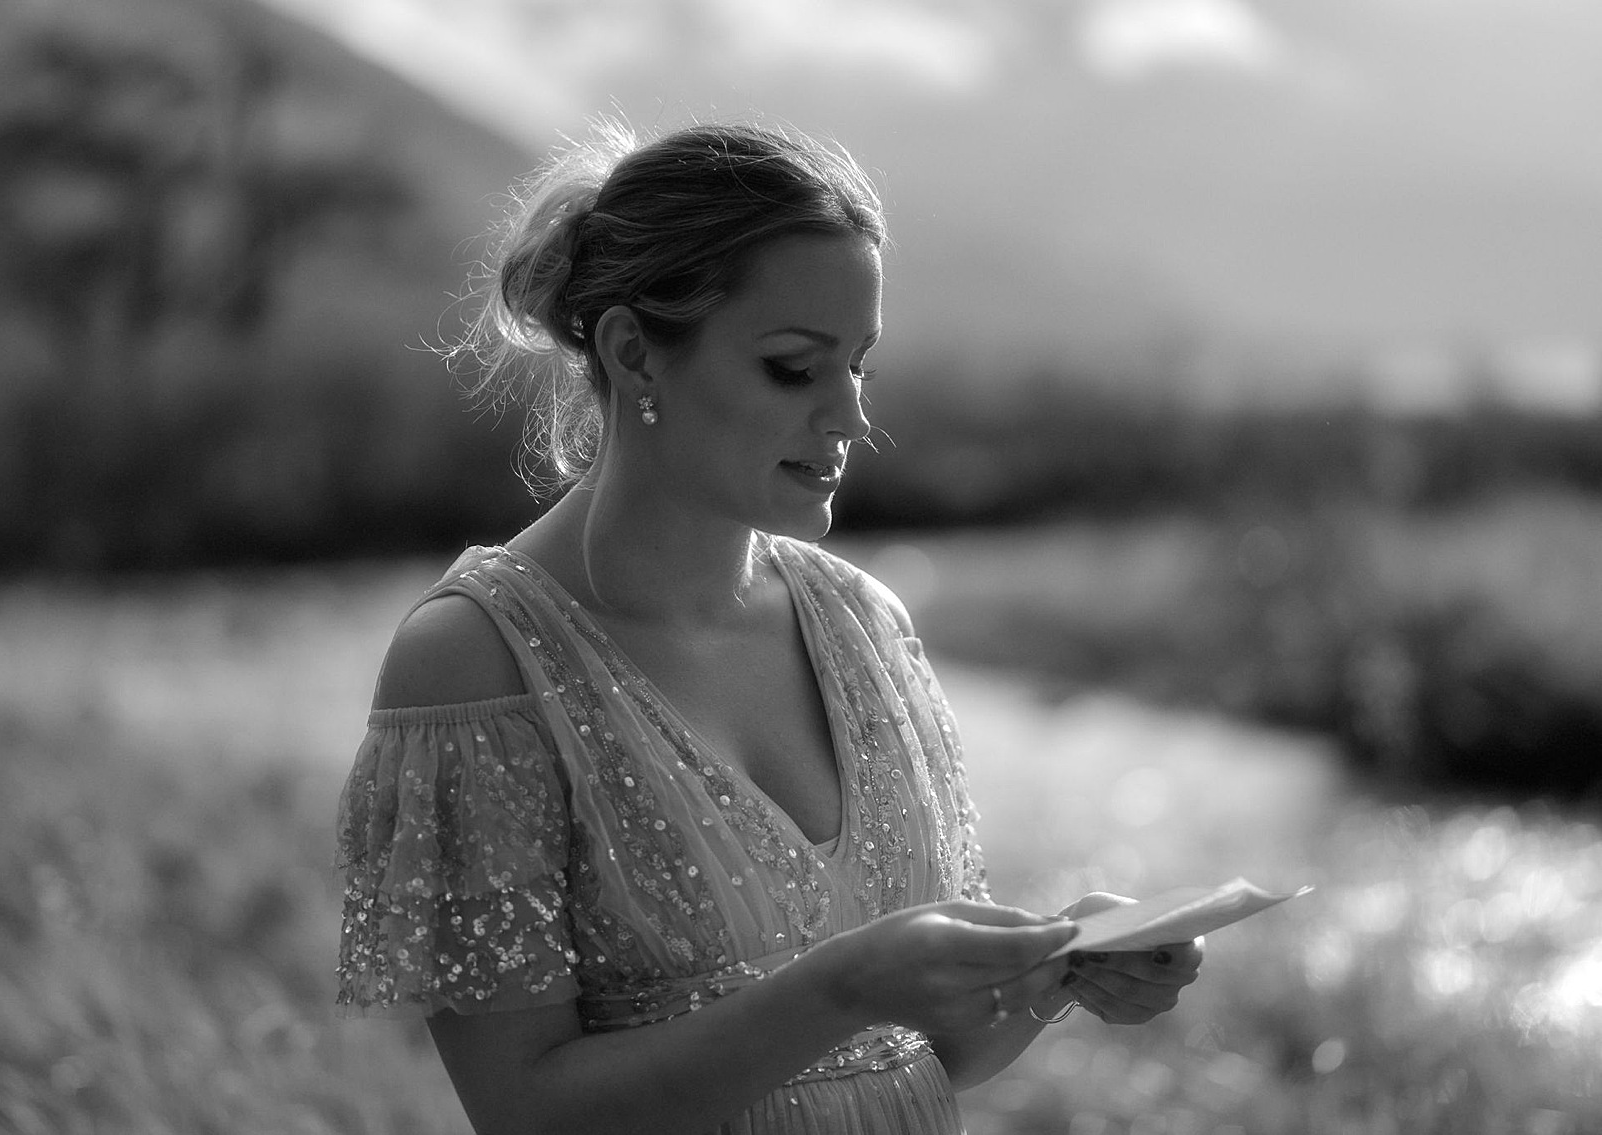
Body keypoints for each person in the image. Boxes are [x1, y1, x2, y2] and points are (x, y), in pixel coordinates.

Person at [334, 118, 1203, 1135]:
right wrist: (843, 984)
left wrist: (1056, 967)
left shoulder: (865, 627)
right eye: (795, 369)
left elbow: (916, 1058)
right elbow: (527, 1113)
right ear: (632, 354)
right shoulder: (476, 661)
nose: (848, 417)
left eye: (858, 367)